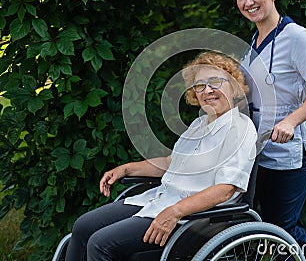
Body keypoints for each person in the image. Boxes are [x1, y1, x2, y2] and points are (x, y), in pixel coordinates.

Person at [64, 51, 258, 260]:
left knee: (101, 244)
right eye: (199, 85)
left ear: (233, 86)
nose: (207, 90)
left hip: (196, 218)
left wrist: (175, 211)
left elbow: (225, 190)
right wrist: (127, 168)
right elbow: (170, 163)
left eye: (215, 82)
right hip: (162, 199)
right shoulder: (199, 124)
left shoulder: (240, 129)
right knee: (83, 226)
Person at [230, 0, 306, 260]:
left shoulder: (299, 38)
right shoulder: (252, 44)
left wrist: (290, 121)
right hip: (259, 151)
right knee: (276, 227)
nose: (248, 2)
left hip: (289, 154)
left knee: (283, 229)